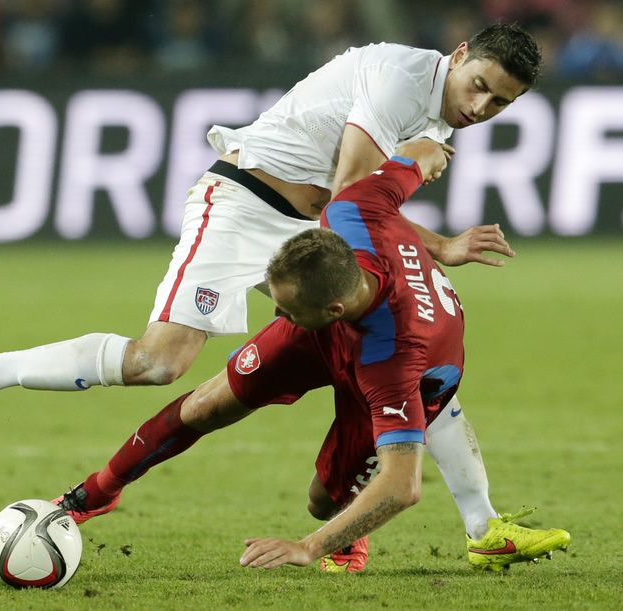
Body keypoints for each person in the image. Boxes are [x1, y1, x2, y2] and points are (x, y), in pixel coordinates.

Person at [0, 24, 541, 571]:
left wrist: (441, 246)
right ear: (458, 55)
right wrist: (436, 236)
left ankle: (482, 527)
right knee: (158, 363)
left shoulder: (435, 111)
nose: (481, 105)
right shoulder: (403, 82)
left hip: (310, 229)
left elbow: (355, 213)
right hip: (244, 207)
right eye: (479, 84)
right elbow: (352, 192)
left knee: (416, 358)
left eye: (499, 102)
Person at [51, 140, 571, 573]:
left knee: (324, 501)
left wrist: (309, 545)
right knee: (207, 404)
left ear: (333, 307)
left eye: (285, 309)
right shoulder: (349, 209)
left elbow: (402, 484)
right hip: (332, 332)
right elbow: (419, 155)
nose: (275, 313)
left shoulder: (393, 362)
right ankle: (95, 494)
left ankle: (354, 539)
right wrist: (433, 153)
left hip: (415, 373)